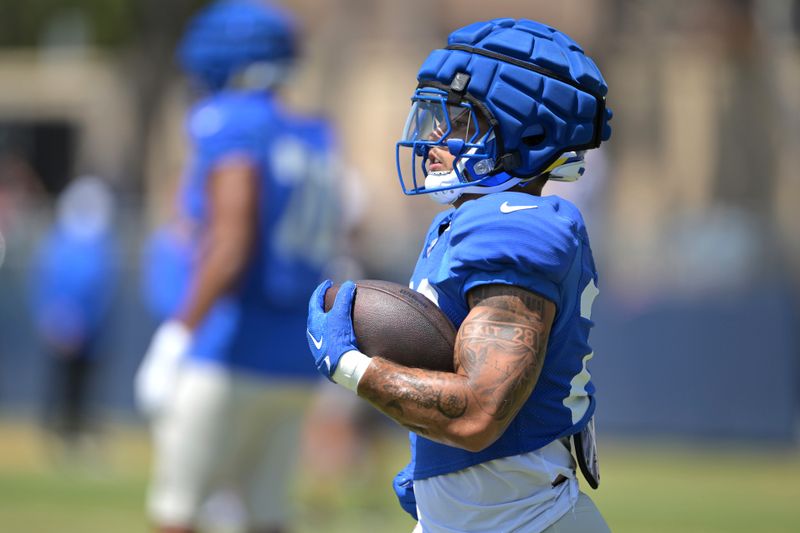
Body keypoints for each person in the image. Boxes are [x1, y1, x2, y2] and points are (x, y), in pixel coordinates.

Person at [306, 18, 613, 532]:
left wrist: (353, 368)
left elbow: (477, 413)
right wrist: (433, 473)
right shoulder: (474, 220)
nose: (432, 143)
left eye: (460, 123)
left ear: (527, 134)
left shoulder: (513, 229)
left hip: (522, 521)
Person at [135, 1, 342, 532]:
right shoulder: (315, 135)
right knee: (264, 517)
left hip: (229, 350)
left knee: (178, 514)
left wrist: (177, 335)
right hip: (295, 357)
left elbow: (230, 243)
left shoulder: (232, 121)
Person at [29, 175, 117, 450]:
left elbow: (101, 289)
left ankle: (76, 432)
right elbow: (44, 285)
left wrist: (87, 324)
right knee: (60, 382)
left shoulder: (98, 244)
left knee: (83, 385)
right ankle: (55, 431)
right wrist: (55, 321)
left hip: (89, 332)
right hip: (63, 327)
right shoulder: (61, 242)